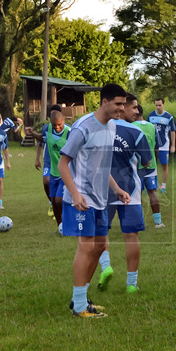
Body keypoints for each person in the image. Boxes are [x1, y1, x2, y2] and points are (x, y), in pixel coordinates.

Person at [59, 83, 130, 318]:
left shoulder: (112, 126)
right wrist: (75, 194)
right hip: (81, 198)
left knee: (100, 247)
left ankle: (80, 299)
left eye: (124, 104)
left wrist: (117, 189)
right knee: (87, 246)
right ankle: (79, 306)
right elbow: (63, 164)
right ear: (104, 102)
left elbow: (101, 165)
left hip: (100, 199)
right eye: (118, 104)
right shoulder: (82, 128)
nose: (122, 108)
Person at [97, 93, 153, 294]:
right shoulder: (135, 131)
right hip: (130, 192)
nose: (137, 111)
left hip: (101, 191)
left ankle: (106, 267)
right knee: (131, 236)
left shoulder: (99, 128)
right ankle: (131, 284)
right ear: (123, 107)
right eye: (134, 107)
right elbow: (147, 162)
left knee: (100, 233)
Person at [27, 105, 64, 218]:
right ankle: (52, 203)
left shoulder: (68, 130)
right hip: (48, 160)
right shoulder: (46, 129)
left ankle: (60, 206)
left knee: (60, 193)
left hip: (62, 163)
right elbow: (41, 141)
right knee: (46, 181)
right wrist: (37, 159)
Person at [132, 104, 164, 228]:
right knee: (152, 193)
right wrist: (154, 160)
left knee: (137, 195)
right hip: (151, 166)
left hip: (136, 166)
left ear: (135, 113)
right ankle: (158, 221)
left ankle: (139, 222)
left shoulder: (132, 126)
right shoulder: (151, 126)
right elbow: (157, 147)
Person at [148, 98, 176, 194]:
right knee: (152, 165)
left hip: (164, 145)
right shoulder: (150, 116)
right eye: (156, 105)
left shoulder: (169, 117)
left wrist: (173, 145)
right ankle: (152, 184)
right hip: (153, 145)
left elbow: (172, 131)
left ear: (163, 104)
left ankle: (163, 186)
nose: (158, 107)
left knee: (164, 165)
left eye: (159, 105)